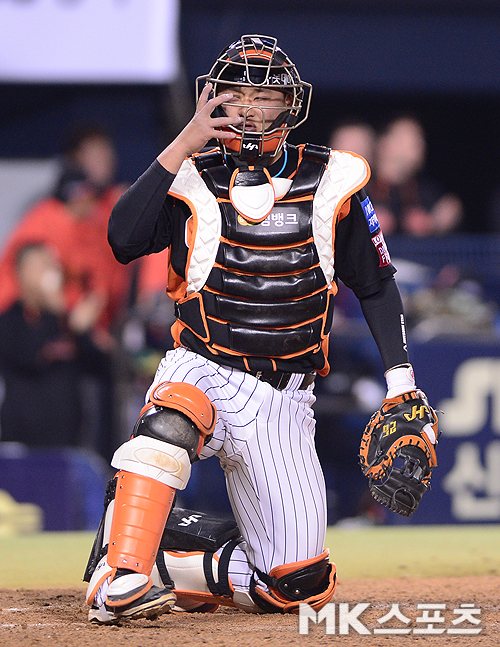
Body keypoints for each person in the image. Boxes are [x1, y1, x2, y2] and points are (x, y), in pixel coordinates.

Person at [83, 35, 438, 624]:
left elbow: (376, 285)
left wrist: (401, 381)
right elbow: (122, 239)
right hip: (205, 365)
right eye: (236, 93)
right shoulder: (188, 174)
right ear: (214, 100)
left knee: (298, 587)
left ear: (289, 104)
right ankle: (119, 574)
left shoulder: (333, 179)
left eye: (264, 95)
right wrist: (185, 140)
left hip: (284, 398)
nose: (249, 107)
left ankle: (164, 557)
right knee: (170, 418)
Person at [369, 115, 463, 236]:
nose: (420, 143)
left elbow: (449, 210)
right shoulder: (362, 189)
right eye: (411, 136)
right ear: (384, 143)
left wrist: (435, 223)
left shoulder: (428, 191)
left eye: (420, 137)